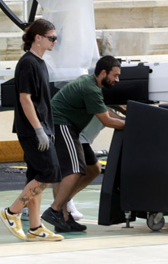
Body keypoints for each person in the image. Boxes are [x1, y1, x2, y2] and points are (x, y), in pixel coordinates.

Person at [41, 55, 126, 233]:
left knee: (93, 168)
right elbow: (107, 120)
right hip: (60, 124)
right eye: (115, 75)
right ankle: (55, 211)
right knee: (75, 170)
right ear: (104, 72)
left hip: (69, 127)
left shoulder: (92, 84)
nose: (117, 80)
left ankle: (63, 214)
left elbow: (108, 109)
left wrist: (128, 112)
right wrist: (135, 123)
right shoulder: (91, 89)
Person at [0, 19, 64, 242]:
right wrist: (38, 129)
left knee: (36, 177)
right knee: (50, 173)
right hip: (32, 130)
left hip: (42, 128)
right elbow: (25, 99)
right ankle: (12, 212)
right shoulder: (28, 63)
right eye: (51, 38)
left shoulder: (40, 63)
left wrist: (46, 129)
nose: (54, 41)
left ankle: (35, 227)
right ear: (38, 38)